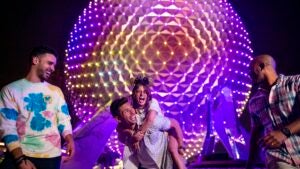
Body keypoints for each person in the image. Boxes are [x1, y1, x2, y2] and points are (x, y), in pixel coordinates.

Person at [0, 45, 75, 169]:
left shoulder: (56, 91)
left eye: (54, 65)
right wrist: (20, 160)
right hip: (21, 154)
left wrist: (69, 139)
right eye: (50, 63)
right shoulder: (10, 90)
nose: (53, 68)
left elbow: (63, 119)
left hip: (51, 158)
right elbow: (7, 127)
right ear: (35, 60)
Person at [246, 54, 300, 169]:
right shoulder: (254, 101)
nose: (249, 74)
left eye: (251, 70)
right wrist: (250, 164)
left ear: (260, 66)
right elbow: (256, 133)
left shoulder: (296, 82)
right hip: (278, 157)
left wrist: (284, 132)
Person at [130, 76, 186, 169]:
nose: (141, 94)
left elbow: (150, 119)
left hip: (166, 132)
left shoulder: (153, 103)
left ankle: (179, 149)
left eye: (144, 92)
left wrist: (138, 136)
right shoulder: (133, 108)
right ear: (134, 94)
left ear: (148, 95)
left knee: (173, 151)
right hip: (150, 146)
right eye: (138, 91)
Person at [110, 97, 173, 169]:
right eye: (126, 111)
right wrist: (131, 134)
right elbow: (120, 131)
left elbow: (173, 124)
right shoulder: (124, 136)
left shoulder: (148, 121)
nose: (133, 111)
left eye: (131, 107)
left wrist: (176, 146)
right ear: (118, 119)